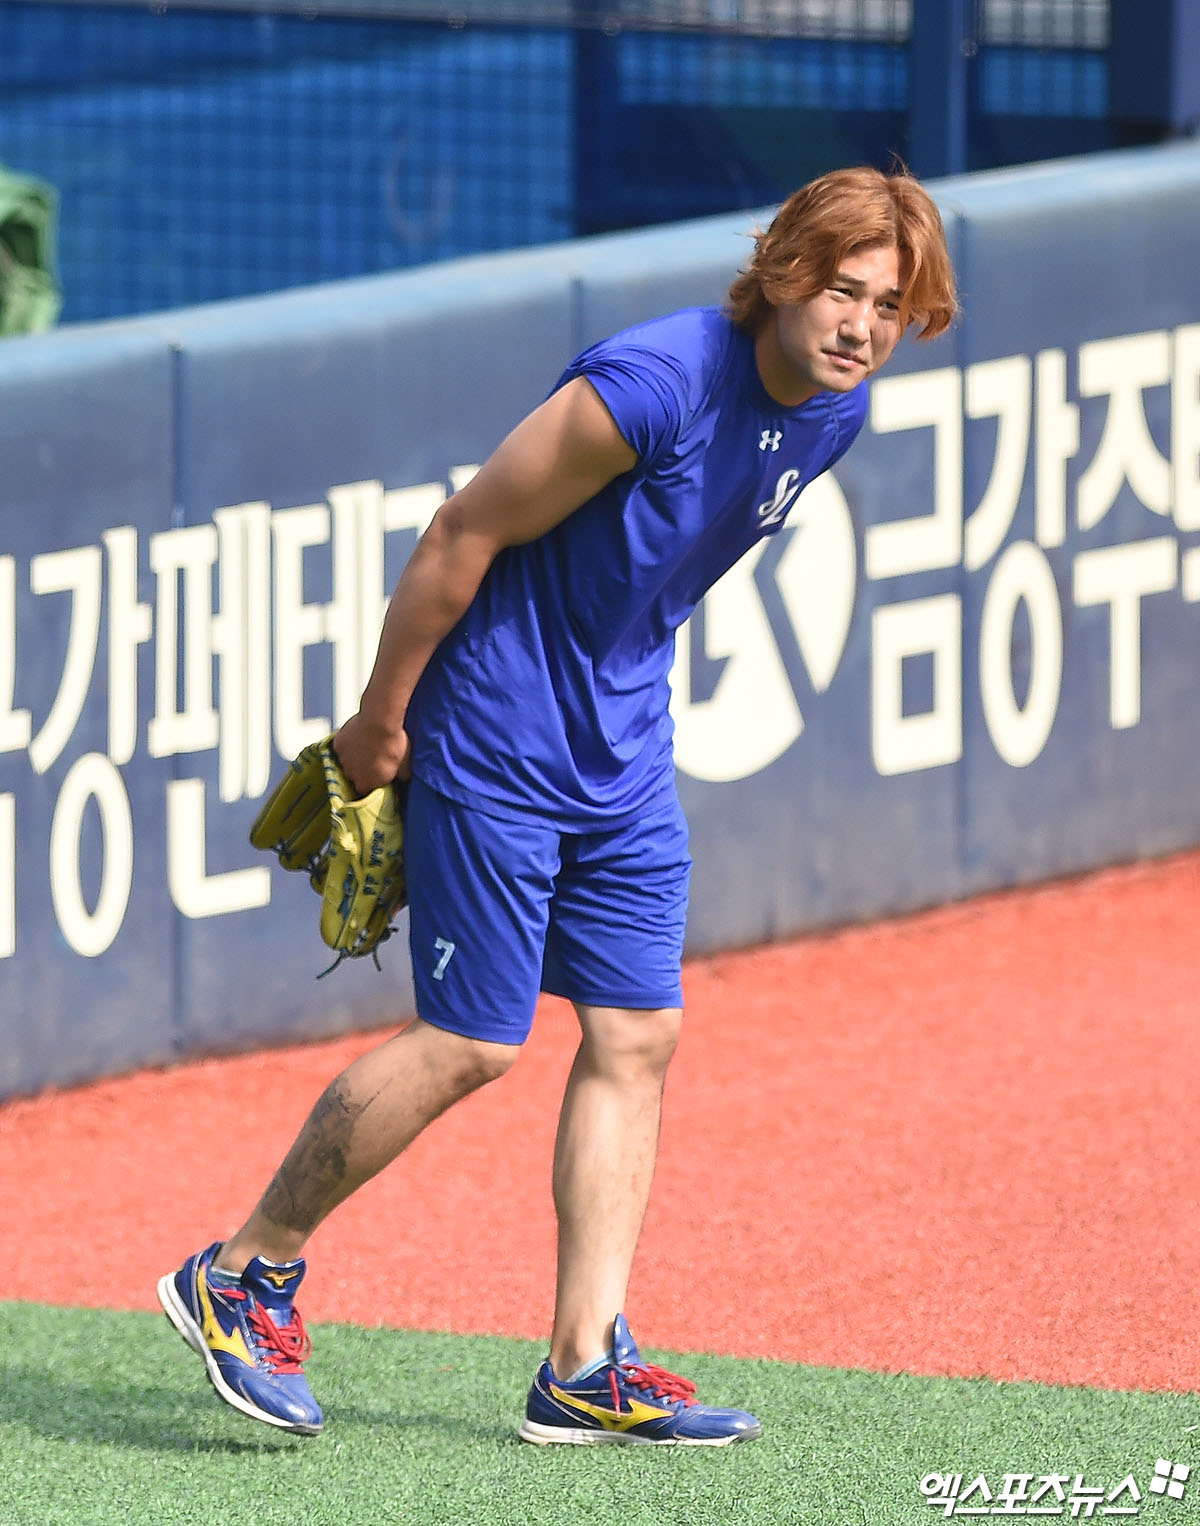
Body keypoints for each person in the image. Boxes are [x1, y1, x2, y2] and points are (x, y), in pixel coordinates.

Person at [158, 164, 958, 1445]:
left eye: (890, 306)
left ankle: (583, 1363)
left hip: (623, 750)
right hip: (496, 735)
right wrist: (381, 722)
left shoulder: (832, 410)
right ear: (784, 274)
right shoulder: (651, 386)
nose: (863, 326)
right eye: (843, 290)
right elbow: (458, 536)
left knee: (637, 1032)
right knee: (472, 1039)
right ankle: (243, 1268)